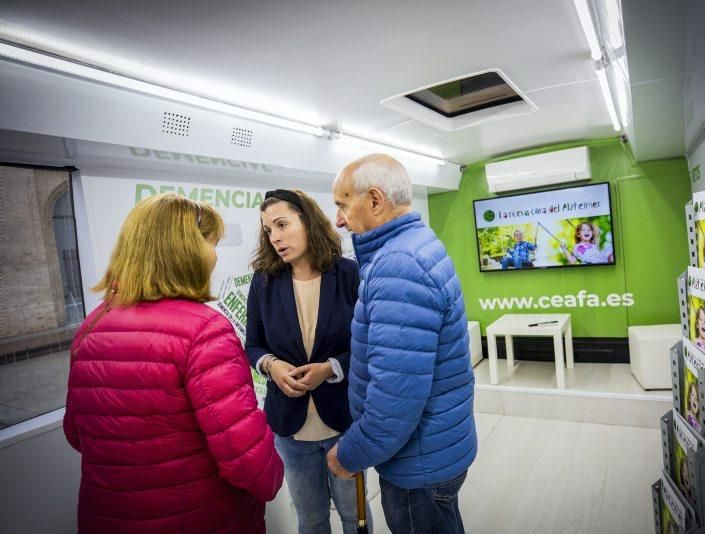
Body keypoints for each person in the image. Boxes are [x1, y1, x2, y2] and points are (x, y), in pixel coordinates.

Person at [63, 193, 283, 533]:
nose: (213, 255)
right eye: (211, 243)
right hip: (200, 517)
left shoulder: (91, 326)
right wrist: (273, 477)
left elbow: (76, 434)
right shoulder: (203, 331)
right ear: (188, 250)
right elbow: (247, 461)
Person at [326, 154, 478, 534]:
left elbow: (397, 395)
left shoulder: (399, 265)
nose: (339, 220)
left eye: (343, 205)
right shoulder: (414, 244)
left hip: (417, 463)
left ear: (375, 200)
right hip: (435, 449)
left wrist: (352, 453)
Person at [245, 189, 369, 534]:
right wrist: (272, 365)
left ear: (308, 221)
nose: (276, 237)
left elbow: (368, 344)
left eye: (282, 225)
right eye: (269, 230)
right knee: (311, 519)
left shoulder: (348, 275)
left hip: (344, 419)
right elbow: (252, 346)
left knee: (353, 513)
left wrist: (331, 368)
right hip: (289, 424)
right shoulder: (264, 282)